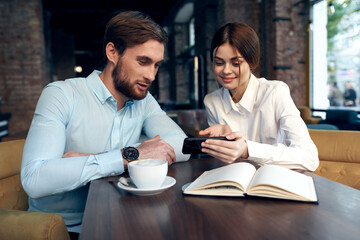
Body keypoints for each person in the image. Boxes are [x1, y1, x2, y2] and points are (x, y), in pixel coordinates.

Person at [21, 10, 189, 236]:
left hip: (122, 217)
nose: (151, 75)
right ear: (112, 52)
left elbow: (182, 145)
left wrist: (93, 158)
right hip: (63, 229)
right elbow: (34, 178)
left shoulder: (144, 101)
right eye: (143, 61)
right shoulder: (61, 94)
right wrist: (128, 155)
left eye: (156, 65)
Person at [198, 23, 319, 171]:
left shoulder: (275, 92)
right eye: (218, 62)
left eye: (235, 63)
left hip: (276, 183)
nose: (226, 70)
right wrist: (220, 144)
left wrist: (247, 149)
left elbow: (310, 158)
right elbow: (226, 163)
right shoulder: (212, 102)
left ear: (252, 61)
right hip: (237, 184)